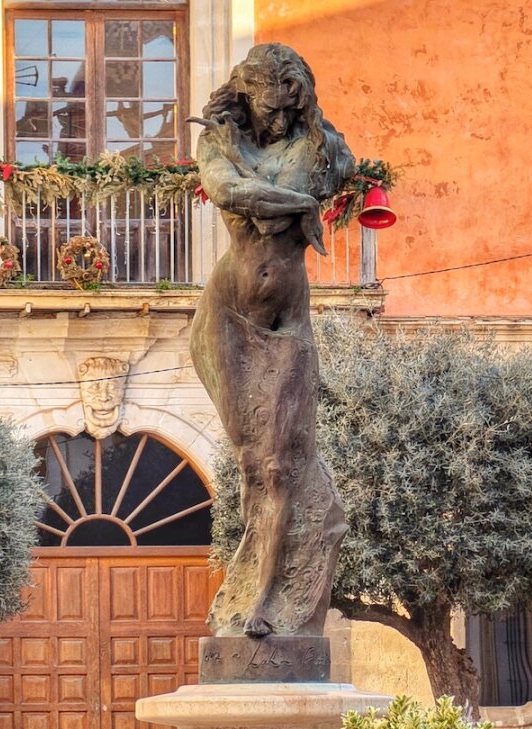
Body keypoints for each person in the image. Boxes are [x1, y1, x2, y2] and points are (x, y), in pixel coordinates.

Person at [189, 44, 355, 639]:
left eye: (290, 108)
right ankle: (248, 581)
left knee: (281, 465)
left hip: (286, 320)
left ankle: (265, 602)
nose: (280, 120)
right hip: (225, 313)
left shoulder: (318, 145)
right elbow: (232, 195)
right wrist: (302, 205)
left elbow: (339, 167)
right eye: (270, 108)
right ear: (246, 95)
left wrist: (285, 199)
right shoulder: (217, 142)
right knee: (250, 463)